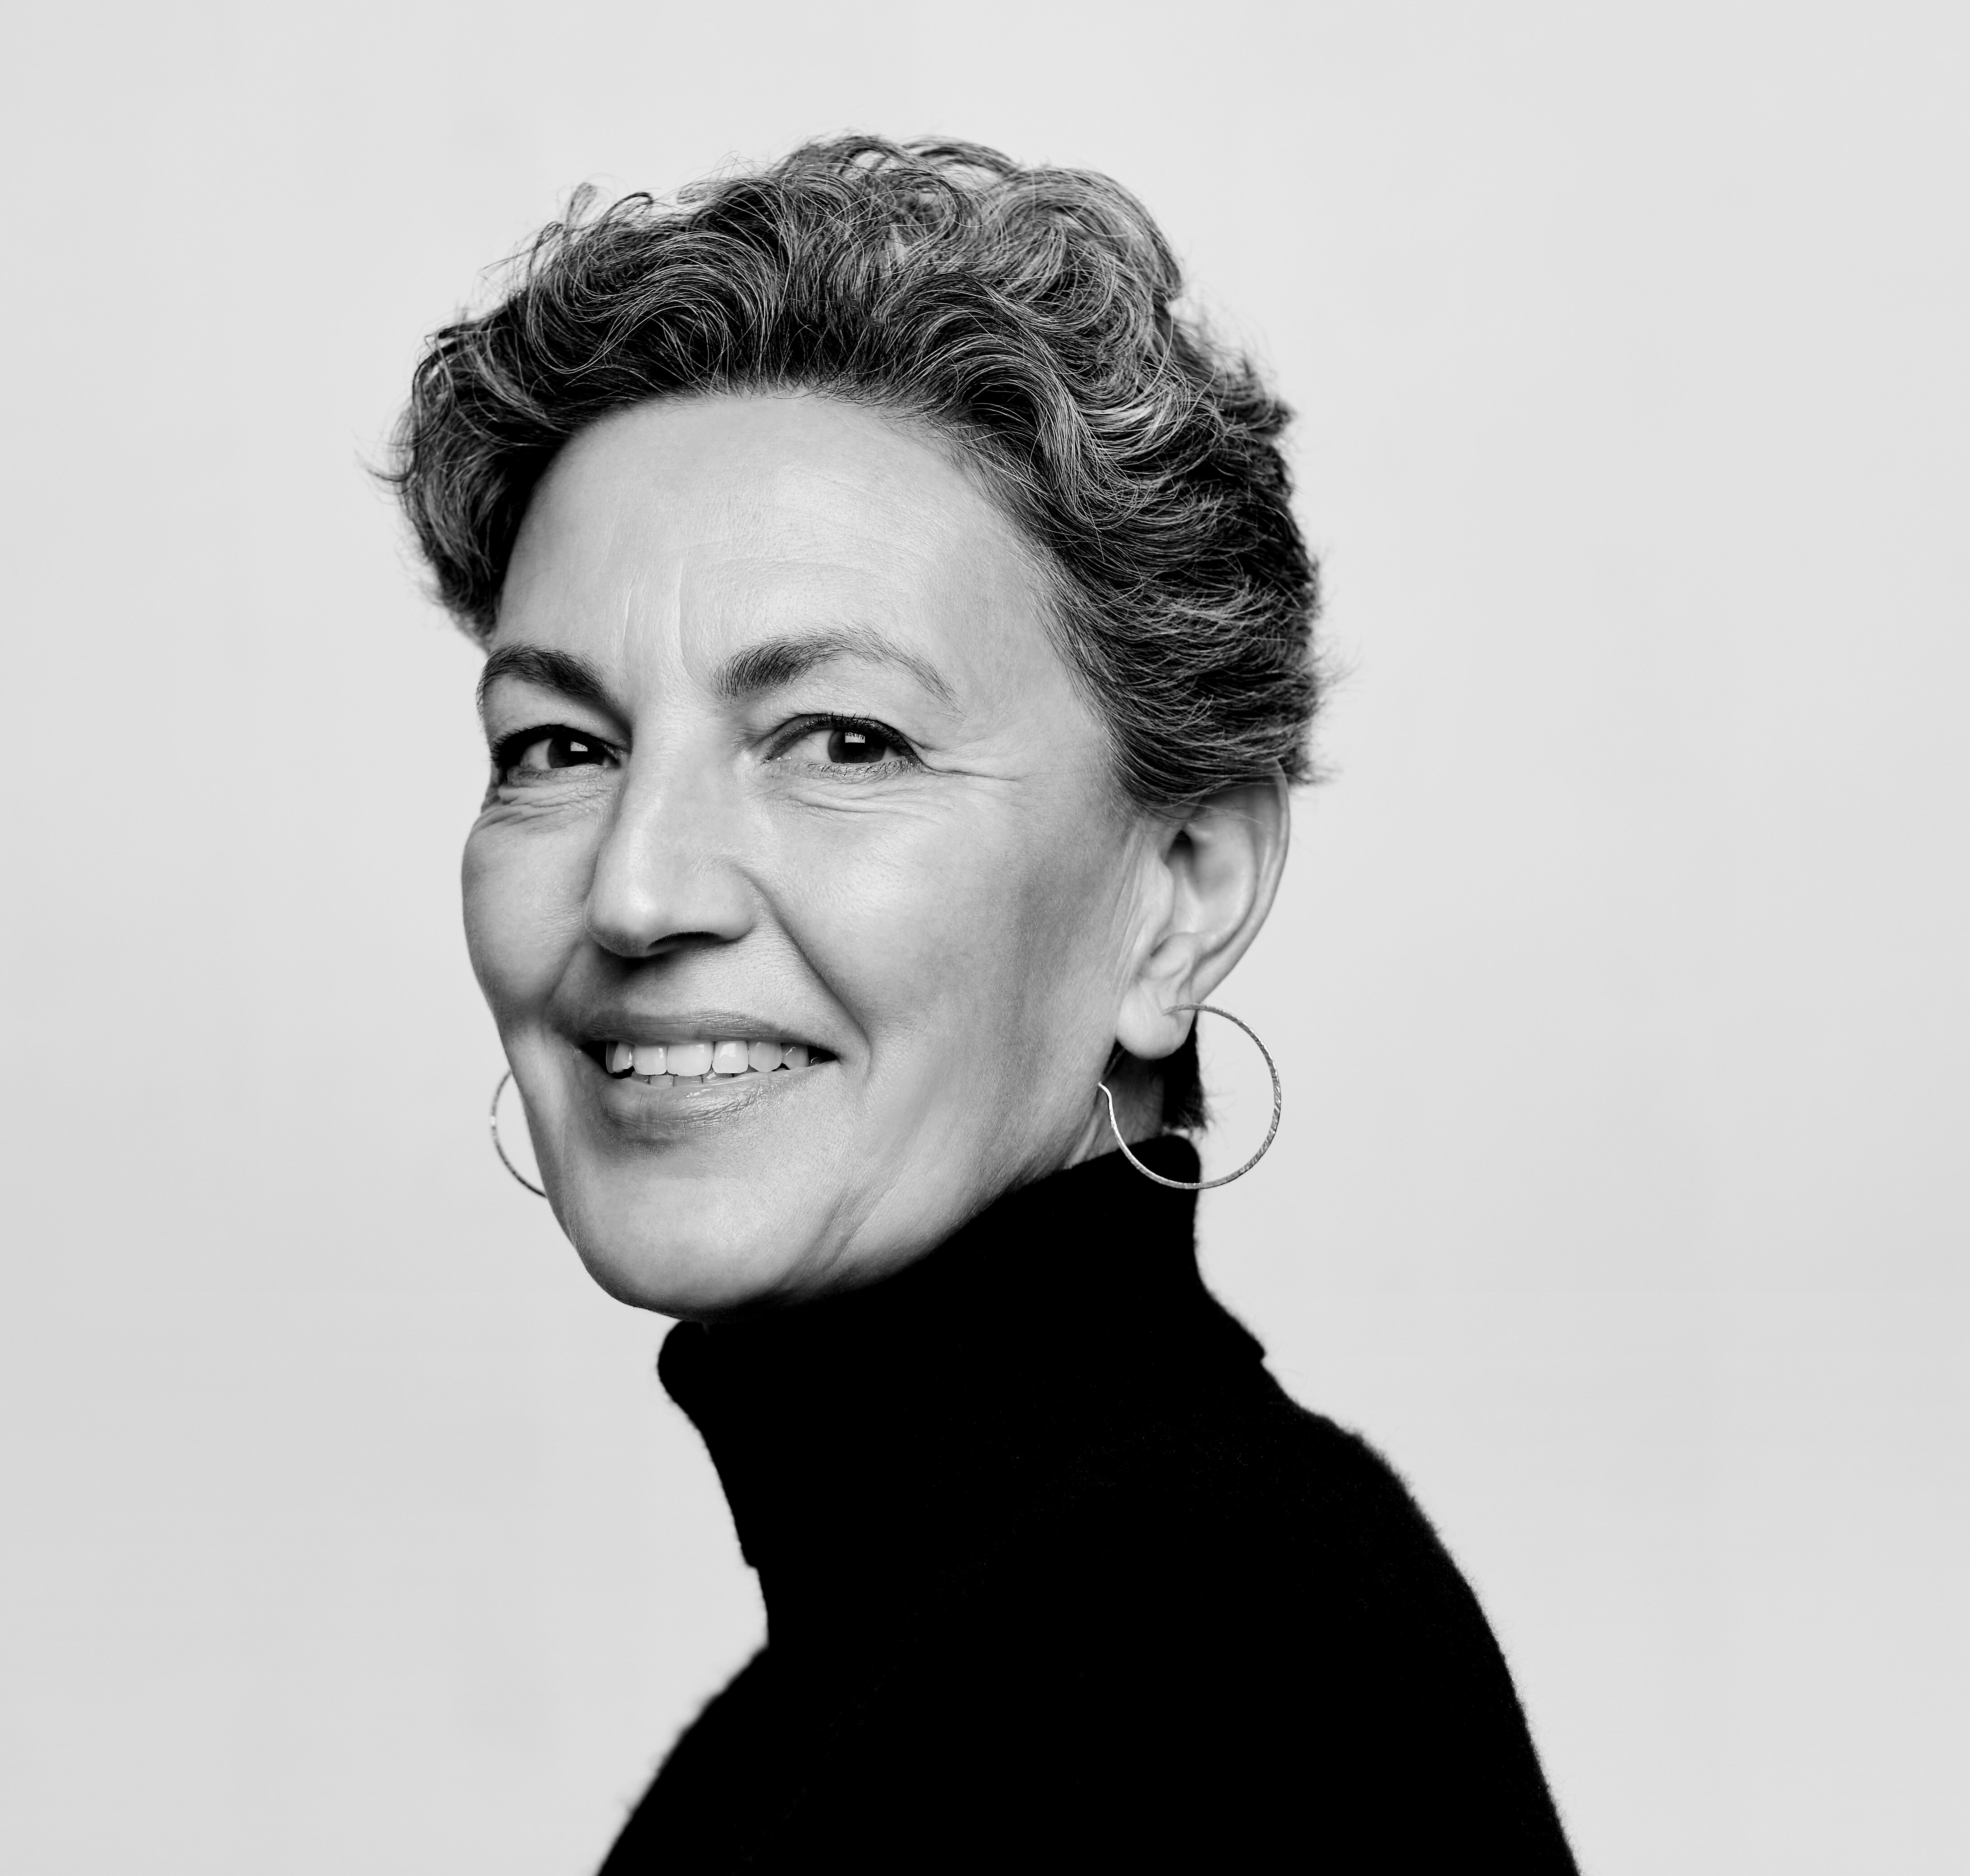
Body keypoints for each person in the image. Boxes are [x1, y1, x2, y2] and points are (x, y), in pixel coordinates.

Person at [390, 136, 1579, 1872]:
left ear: (1181, 893)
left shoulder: (1190, 1669)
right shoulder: (923, 1664)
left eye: (845, 741)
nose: (637, 893)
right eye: (561, 748)